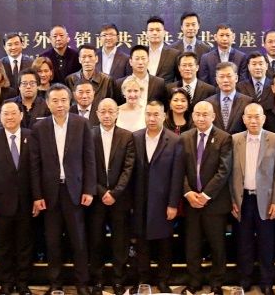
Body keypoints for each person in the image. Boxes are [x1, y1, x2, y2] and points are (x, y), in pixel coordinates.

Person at [31, 84, 95, 295]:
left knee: (79, 240)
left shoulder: (81, 124)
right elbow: (35, 165)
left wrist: (89, 189)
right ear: (48, 104)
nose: (60, 105)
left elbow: (89, 159)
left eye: (64, 100)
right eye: (55, 101)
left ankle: (82, 283)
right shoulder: (39, 128)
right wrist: (37, 195)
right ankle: (55, 283)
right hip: (50, 193)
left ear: (70, 101)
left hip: (74, 191)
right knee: (52, 241)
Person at [0, 100, 38, 295]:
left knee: (25, 245)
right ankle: (6, 282)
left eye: (14, 113)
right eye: (5, 113)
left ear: (21, 115)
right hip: (1, 203)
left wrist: (37, 198)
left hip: (26, 203)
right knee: (3, 245)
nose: (10, 117)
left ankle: (23, 283)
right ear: (0, 117)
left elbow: (36, 170)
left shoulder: (31, 137)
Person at [230, 103, 275, 294]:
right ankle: (244, 279)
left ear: (264, 118)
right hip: (242, 199)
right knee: (243, 242)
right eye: (249, 117)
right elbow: (230, 174)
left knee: (266, 243)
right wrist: (232, 200)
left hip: (266, 201)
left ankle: (266, 282)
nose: (253, 121)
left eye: (257, 117)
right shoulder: (235, 140)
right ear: (244, 119)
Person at [179, 100, 233, 295]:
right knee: (192, 245)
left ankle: (217, 283)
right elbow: (179, 169)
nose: (201, 118)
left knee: (217, 245)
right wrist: (188, 192)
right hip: (191, 202)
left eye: (205, 114)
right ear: (192, 116)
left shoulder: (224, 138)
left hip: (214, 203)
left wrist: (206, 195)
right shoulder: (184, 137)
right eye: (198, 114)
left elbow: (224, 171)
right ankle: (194, 282)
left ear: (213, 116)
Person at [132, 101, 184, 295]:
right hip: (140, 200)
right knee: (141, 243)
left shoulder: (175, 140)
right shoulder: (135, 137)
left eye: (156, 114)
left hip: (163, 202)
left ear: (164, 116)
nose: (152, 118)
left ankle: (163, 280)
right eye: (148, 114)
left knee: (164, 243)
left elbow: (177, 175)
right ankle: (143, 279)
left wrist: (173, 204)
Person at [88, 98, 136, 294]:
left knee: (120, 242)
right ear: (97, 114)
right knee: (96, 241)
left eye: (111, 111)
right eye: (103, 111)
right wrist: (102, 192)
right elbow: (87, 167)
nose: (107, 115)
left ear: (117, 113)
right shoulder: (89, 135)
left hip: (120, 198)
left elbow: (128, 168)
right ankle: (97, 280)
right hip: (96, 198)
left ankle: (118, 280)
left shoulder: (127, 136)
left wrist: (115, 192)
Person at [205, 62, 253, 134]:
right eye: (221, 77)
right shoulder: (208, 103)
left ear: (236, 78)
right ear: (216, 80)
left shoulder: (247, 102)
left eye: (229, 76)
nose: (225, 80)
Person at [144, 15, 180, 83]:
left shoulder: (174, 54)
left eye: (158, 30)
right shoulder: (142, 52)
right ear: (146, 33)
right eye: (151, 30)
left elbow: (179, 80)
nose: (154, 33)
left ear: (164, 33)